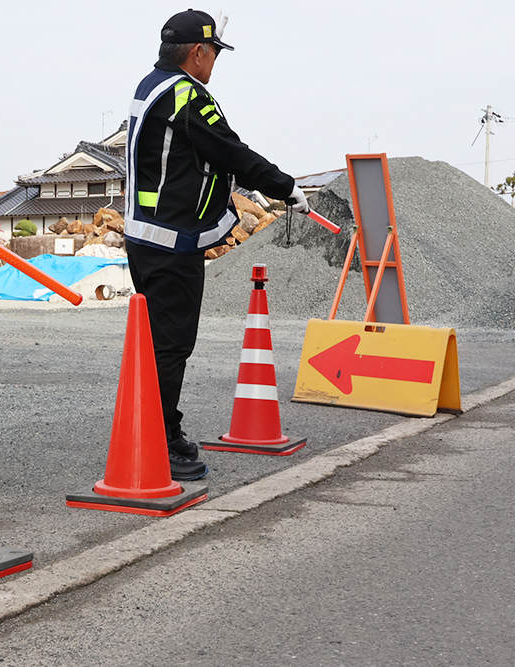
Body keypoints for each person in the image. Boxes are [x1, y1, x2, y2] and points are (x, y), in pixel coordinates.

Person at [124, 9, 310, 481]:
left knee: (155, 345)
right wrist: (286, 187)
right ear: (197, 53)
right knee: (171, 346)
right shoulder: (188, 95)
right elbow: (232, 153)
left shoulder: (149, 86)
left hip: (143, 236)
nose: (214, 65)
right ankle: (159, 444)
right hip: (172, 243)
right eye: (213, 55)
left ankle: (154, 431)